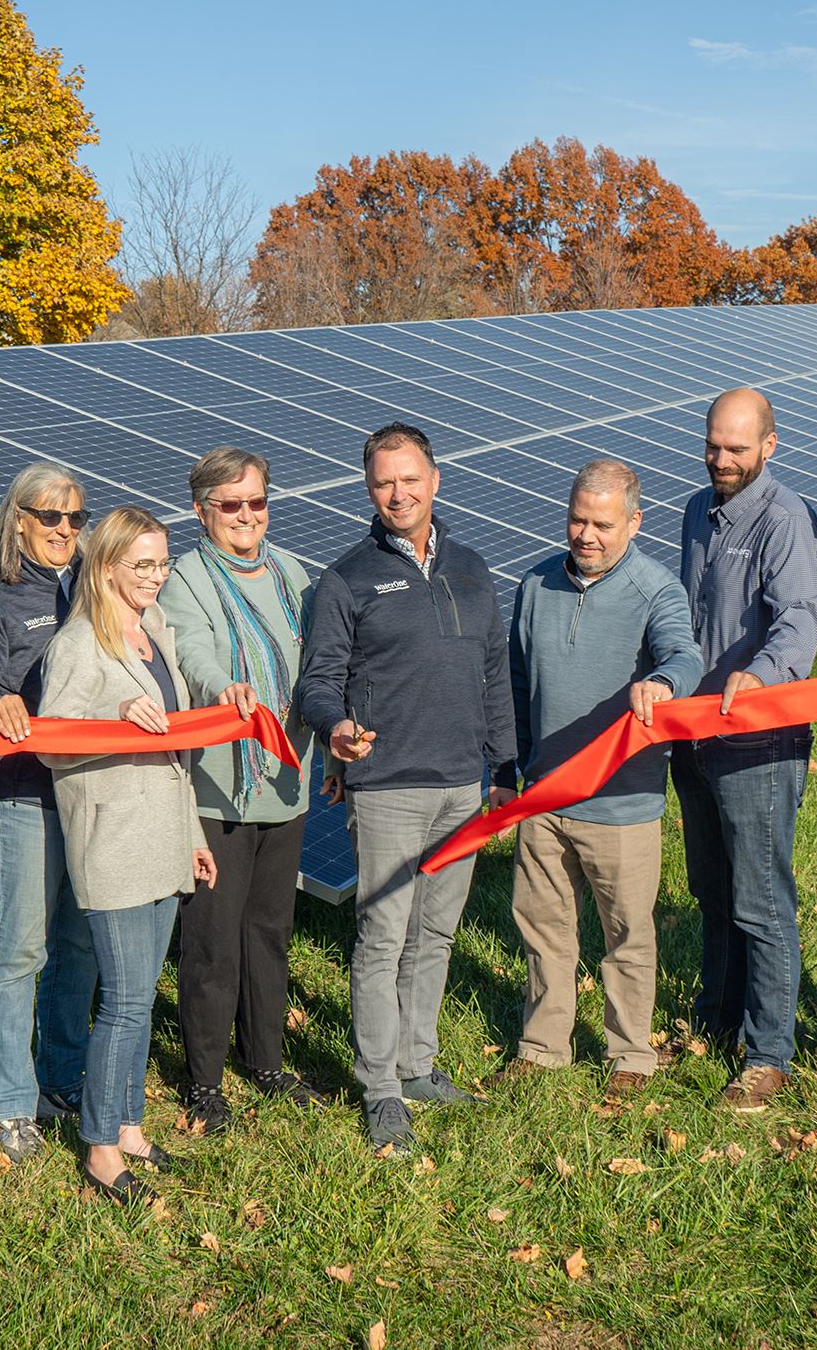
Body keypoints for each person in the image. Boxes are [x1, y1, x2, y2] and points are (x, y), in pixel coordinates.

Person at [299, 422, 513, 1157]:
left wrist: (504, 765)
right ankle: (380, 1087)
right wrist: (335, 729)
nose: (399, 492)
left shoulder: (474, 568)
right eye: (385, 481)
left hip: (462, 784)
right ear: (370, 490)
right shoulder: (346, 578)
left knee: (436, 932)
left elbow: (494, 674)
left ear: (435, 479)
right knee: (383, 936)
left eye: (410, 477)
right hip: (387, 785)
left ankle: (416, 1064)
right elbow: (318, 681)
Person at [501, 459, 702, 1097]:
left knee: (627, 936)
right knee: (543, 927)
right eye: (577, 520)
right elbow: (515, 685)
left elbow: (684, 653)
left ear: (635, 523)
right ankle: (543, 1044)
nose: (586, 535)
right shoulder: (535, 584)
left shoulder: (656, 590)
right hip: (544, 796)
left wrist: (664, 682)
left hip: (622, 801)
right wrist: (511, 770)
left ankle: (630, 1056)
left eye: (602, 524)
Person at [36, 506, 219, 1204]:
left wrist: (194, 838)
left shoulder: (158, 634)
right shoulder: (80, 643)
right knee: (122, 1001)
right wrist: (112, 721)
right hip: (112, 840)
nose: (155, 576)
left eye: (162, 563)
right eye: (141, 564)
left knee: (143, 999)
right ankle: (101, 1150)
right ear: (105, 566)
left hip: (165, 836)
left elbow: (175, 748)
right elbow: (51, 740)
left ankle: (130, 1123)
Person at [157, 447, 326, 1134]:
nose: (248, 516)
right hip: (218, 789)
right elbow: (189, 650)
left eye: (257, 502)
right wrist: (219, 684)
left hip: (286, 781)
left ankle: (265, 1060)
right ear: (203, 512)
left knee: (270, 932)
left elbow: (318, 659)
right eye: (232, 505)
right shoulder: (185, 579)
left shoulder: (292, 573)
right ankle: (203, 1080)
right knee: (213, 942)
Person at [673, 386, 817, 1113]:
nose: (722, 459)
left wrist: (760, 675)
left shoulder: (784, 518)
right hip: (694, 731)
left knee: (762, 899)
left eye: (737, 448)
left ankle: (769, 1054)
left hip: (757, 736)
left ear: (770, 444)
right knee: (713, 890)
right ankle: (716, 1017)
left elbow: (798, 619)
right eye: (713, 445)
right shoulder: (696, 512)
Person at [0, 463, 97, 1163]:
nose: (65, 530)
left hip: (94, 798)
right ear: (18, 521)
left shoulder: (98, 590)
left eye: (75, 518)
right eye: (50, 517)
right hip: (25, 798)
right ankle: (10, 1100)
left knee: (79, 945)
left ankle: (62, 1079)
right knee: (19, 952)